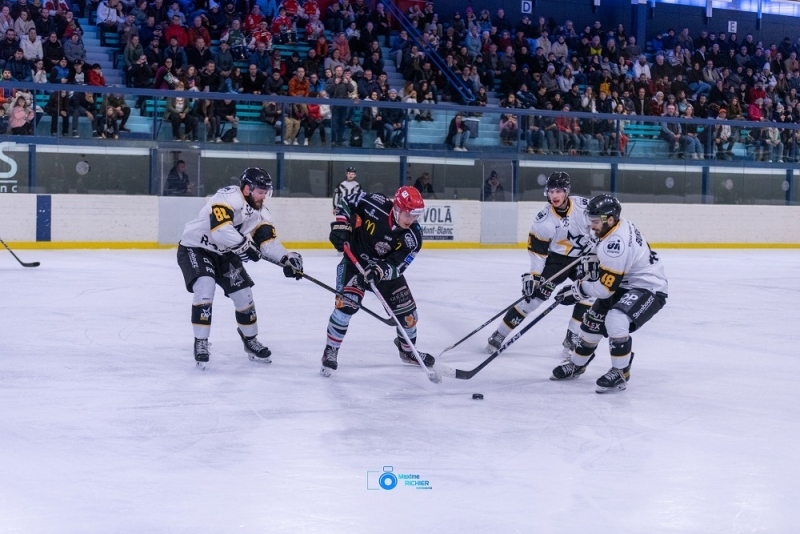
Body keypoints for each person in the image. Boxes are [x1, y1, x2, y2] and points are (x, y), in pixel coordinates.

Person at [176, 167, 304, 369]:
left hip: (226, 253)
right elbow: (220, 230)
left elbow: (268, 243)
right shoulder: (227, 197)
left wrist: (287, 258)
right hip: (197, 248)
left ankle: (250, 340)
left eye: (266, 192)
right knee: (205, 287)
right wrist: (245, 245)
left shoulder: (261, 214)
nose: (264, 196)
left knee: (244, 295)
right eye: (260, 191)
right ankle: (201, 342)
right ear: (246, 189)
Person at [551, 194, 668, 393]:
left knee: (616, 319)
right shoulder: (612, 228)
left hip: (648, 287)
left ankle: (621, 372)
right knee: (591, 323)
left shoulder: (616, 244)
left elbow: (605, 290)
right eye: (591, 220)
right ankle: (577, 364)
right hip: (624, 283)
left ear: (610, 219)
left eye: (595, 222)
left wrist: (577, 291)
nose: (592, 226)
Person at [322, 186, 435, 376]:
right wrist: (342, 225)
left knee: (409, 317)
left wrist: (379, 270)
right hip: (354, 262)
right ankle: (330, 351)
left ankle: (407, 352)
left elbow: (397, 267)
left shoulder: (413, 237)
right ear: (397, 208)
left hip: (383, 272)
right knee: (345, 307)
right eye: (408, 214)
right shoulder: (376, 203)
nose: (412, 220)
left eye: (416, 215)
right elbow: (346, 201)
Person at [485, 172, 597, 360]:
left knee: (588, 293)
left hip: (583, 259)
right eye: (551, 191)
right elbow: (538, 252)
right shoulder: (543, 219)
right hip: (556, 260)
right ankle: (500, 333)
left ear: (566, 191)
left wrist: (595, 252)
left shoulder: (584, 207)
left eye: (559, 191)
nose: (554, 195)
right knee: (535, 298)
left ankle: (572, 339)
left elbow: (601, 230)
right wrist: (535, 275)